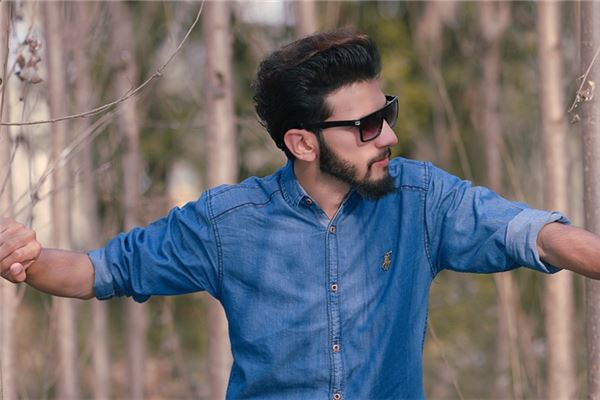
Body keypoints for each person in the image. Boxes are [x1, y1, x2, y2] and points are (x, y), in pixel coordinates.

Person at [1, 29, 600, 399]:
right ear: (303, 143)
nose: (389, 135)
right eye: (367, 126)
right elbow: (99, 271)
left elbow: (529, 233)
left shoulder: (420, 199)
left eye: (386, 113)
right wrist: (29, 257)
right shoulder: (226, 223)